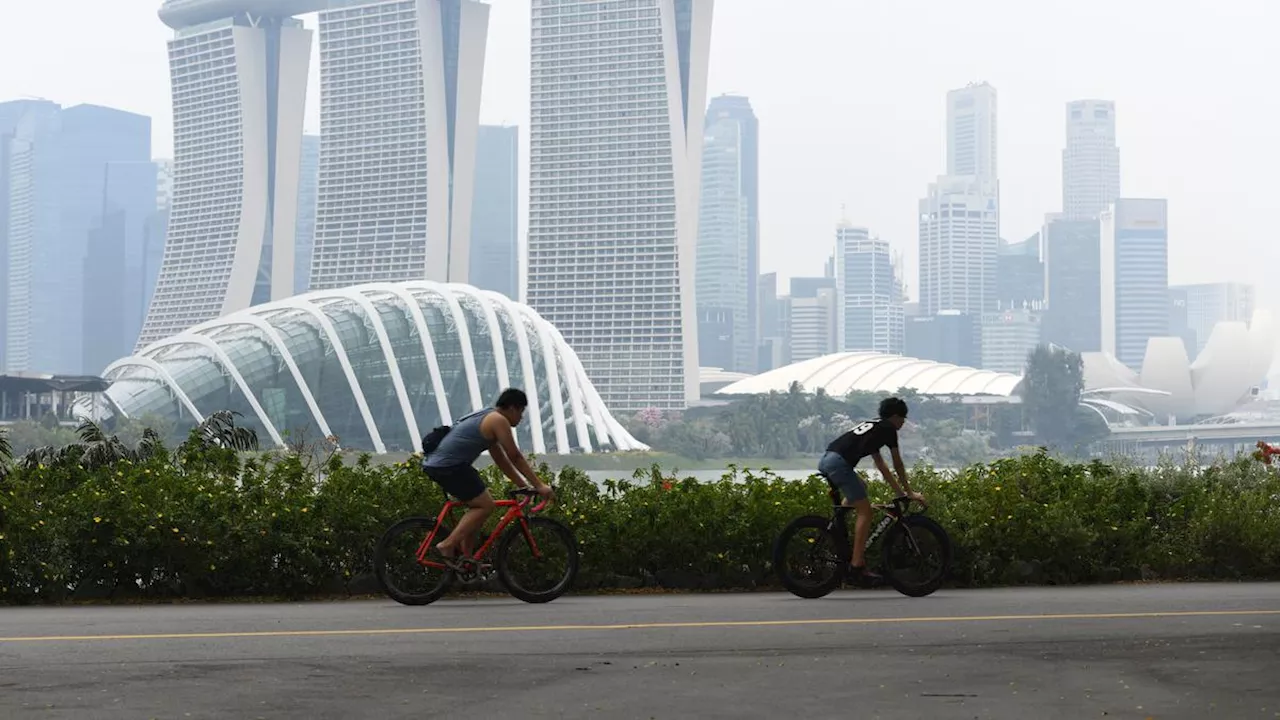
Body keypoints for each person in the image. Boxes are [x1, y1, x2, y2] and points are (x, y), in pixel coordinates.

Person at [422, 388, 554, 567]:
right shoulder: (498, 421)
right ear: (513, 408)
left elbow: (501, 460)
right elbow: (515, 456)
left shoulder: (489, 417)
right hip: (449, 467)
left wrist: (523, 486)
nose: (521, 418)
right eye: (521, 412)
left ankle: (466, 560)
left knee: (477, 507)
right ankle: (447, 544)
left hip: (443, 465)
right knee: (485, 505)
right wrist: (539, 486)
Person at [818, 396, 926, 587]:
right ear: (894, 417)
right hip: (839, 464)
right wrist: (909, 492)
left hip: (828, 459)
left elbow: (882, 465)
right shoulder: (889, 429)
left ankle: (839, 529)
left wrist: (900, 492)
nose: (903, 422)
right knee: (866, 511)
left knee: (862, 489)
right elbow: (897, 463)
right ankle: (857, 565)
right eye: (903, 418)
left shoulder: (875, 426)